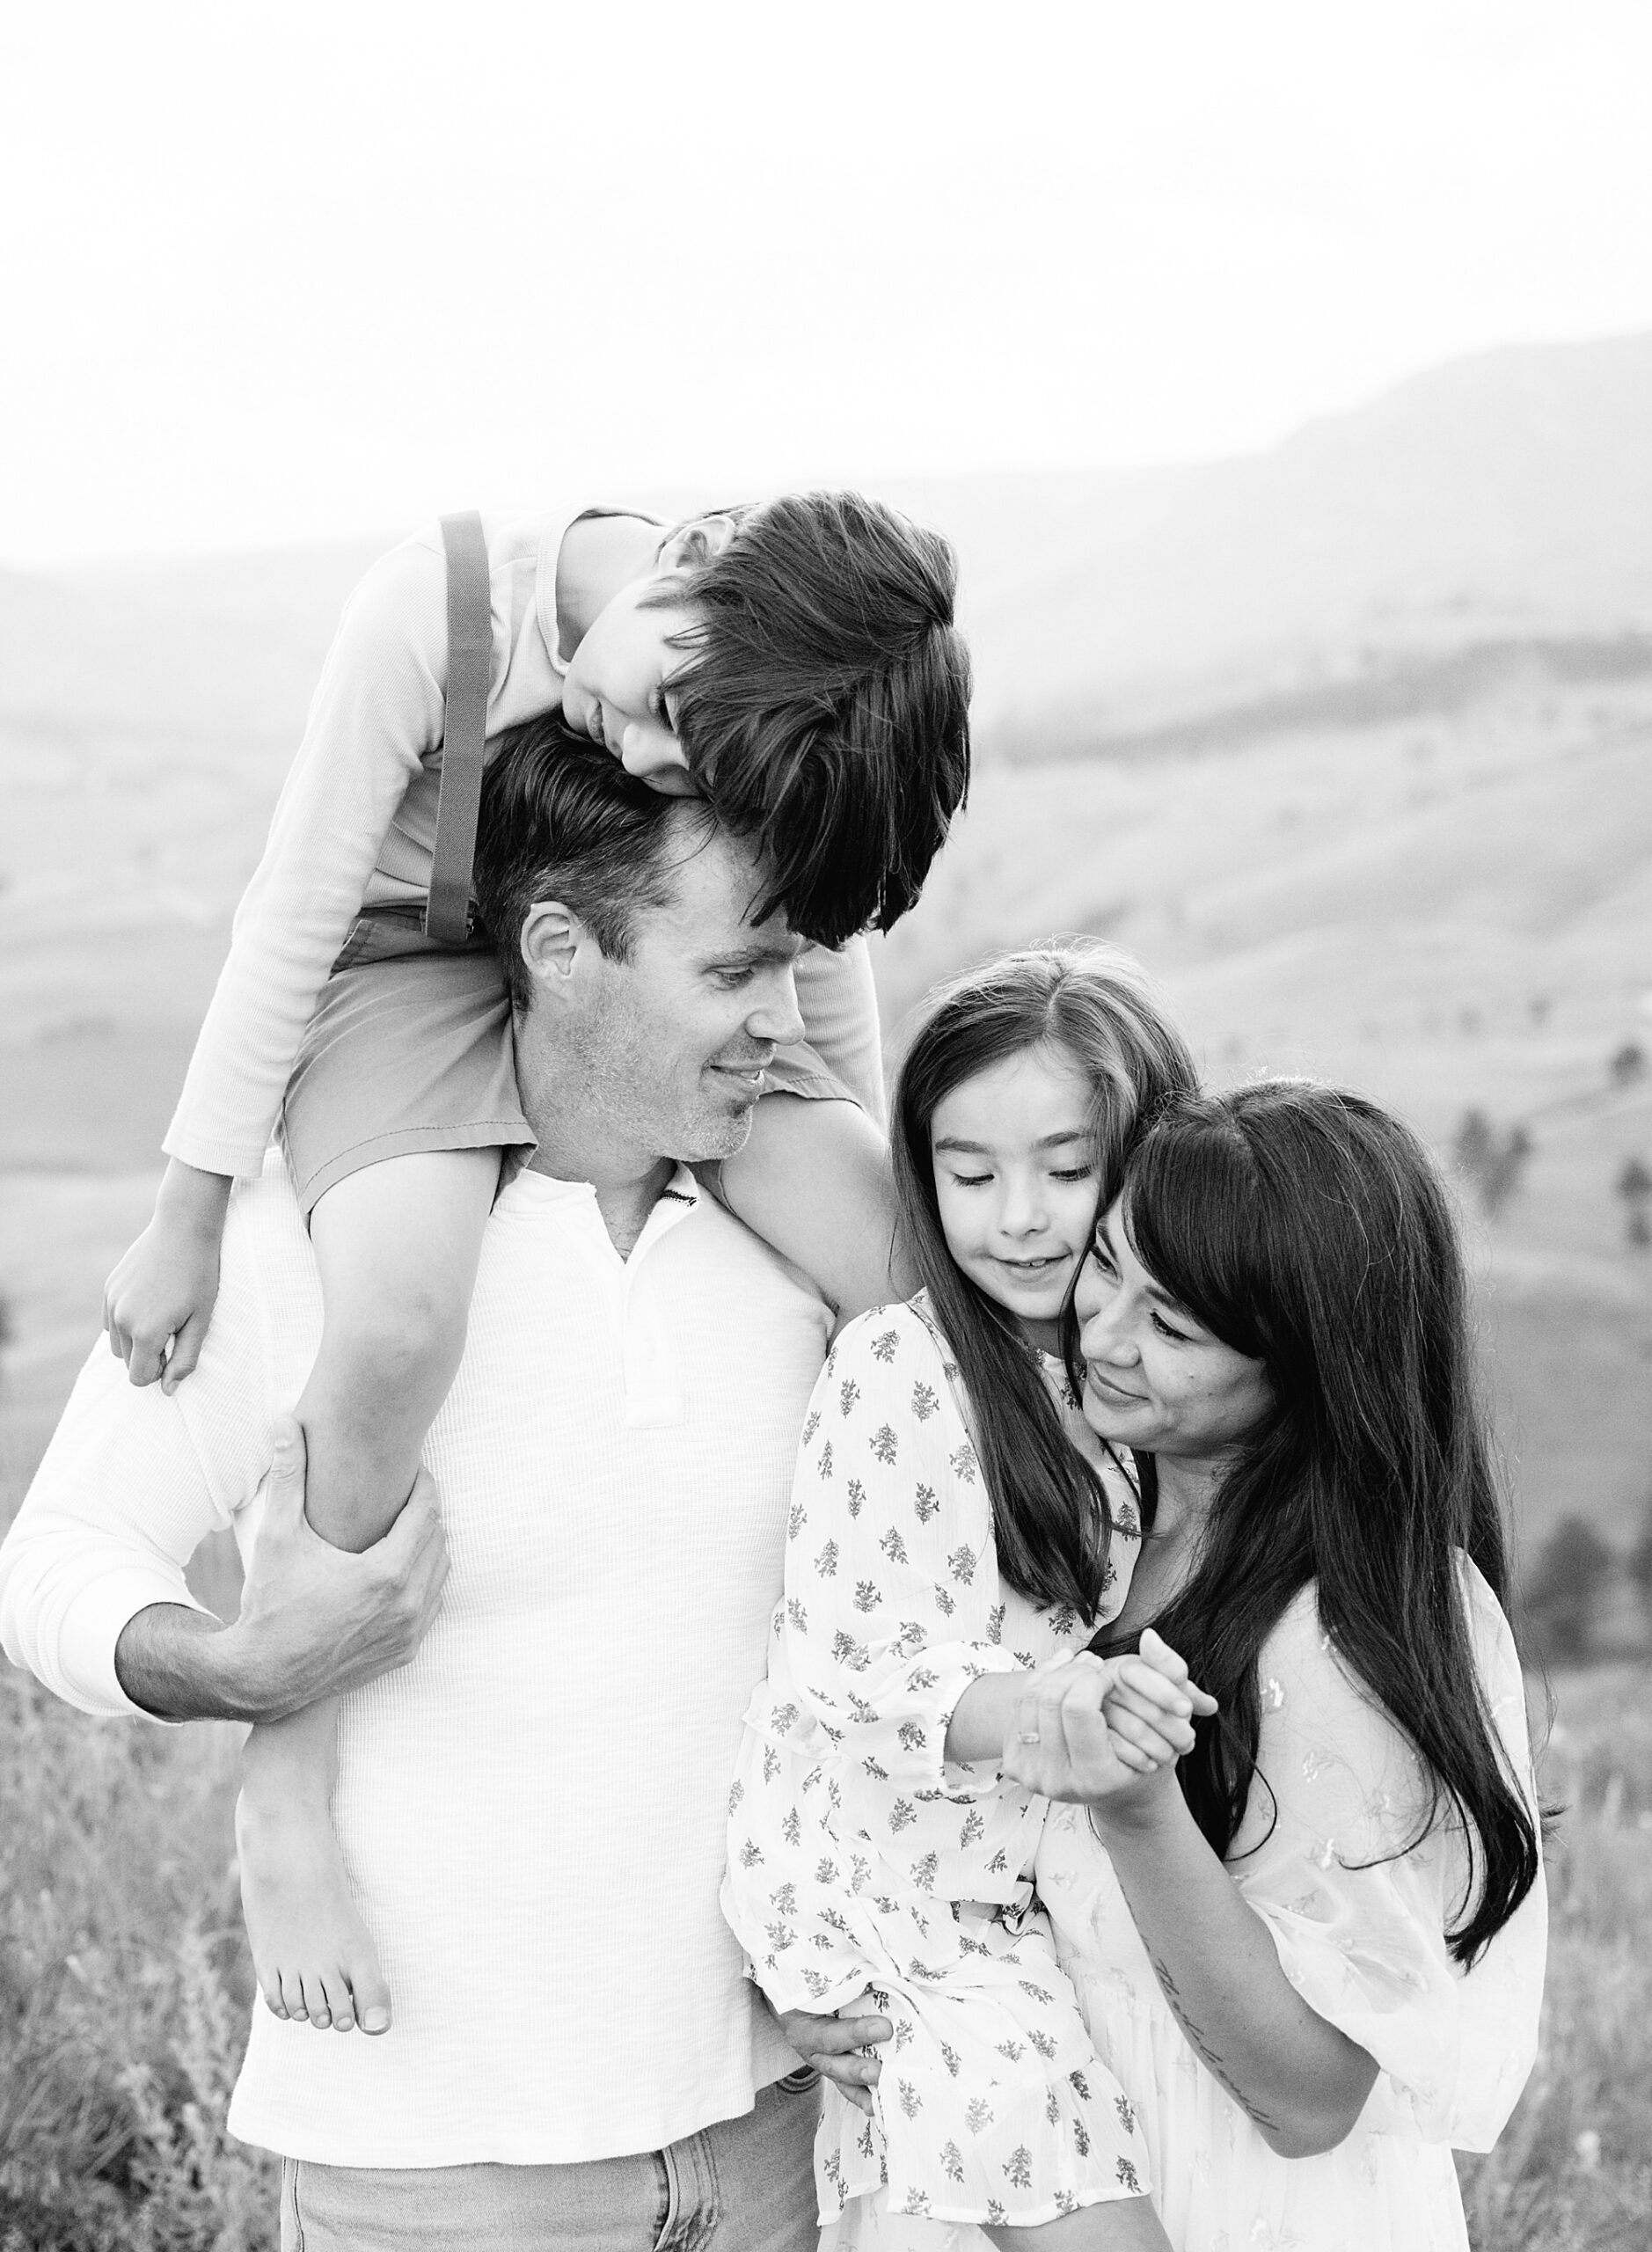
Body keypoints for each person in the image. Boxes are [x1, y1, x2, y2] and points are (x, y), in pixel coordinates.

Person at [1, 726, 887, 2251]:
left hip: (767, 2147)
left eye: (789, 970)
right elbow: (55, 1561)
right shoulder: (318, 1248)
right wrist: (231, 1667)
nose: (778, 1027)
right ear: (559, 948)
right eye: (733, 975)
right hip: (432, 2175)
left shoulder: (799, 1250)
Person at [98, 493, 970, 2029]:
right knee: (401, 1317)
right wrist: (188, 1204)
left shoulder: (751, 699)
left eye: (678, 765)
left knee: (904, 1263)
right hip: (395, 970)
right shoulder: (432, 612)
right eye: (651, 712)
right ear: (688, 558)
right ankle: (285, 1789)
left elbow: (821, 960)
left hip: (624, 972)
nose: (640, 756)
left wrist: (844, 1125)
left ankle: (897, 1735)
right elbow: (291, 910)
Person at [795, 1080, 1547, 2250]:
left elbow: (1308, 2102)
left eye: (1173, 1329)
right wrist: (837, 1976)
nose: (1100, 1335)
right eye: (1109, 1268)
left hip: (1222, 2205)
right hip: (1013, 2167)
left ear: (1305, 1364)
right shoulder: (1079, 1501)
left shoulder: (1341, 1634)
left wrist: (1141, 1813)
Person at [723, 947, 1202, 2247]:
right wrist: (1064, 1717)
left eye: (1066, 1166)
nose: (1021, 1219)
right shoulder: (902, 1362)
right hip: (889, 1897)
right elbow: (858, 1666)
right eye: (971, 1174)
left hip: (1003, 1887)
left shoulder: (1122, 1388)